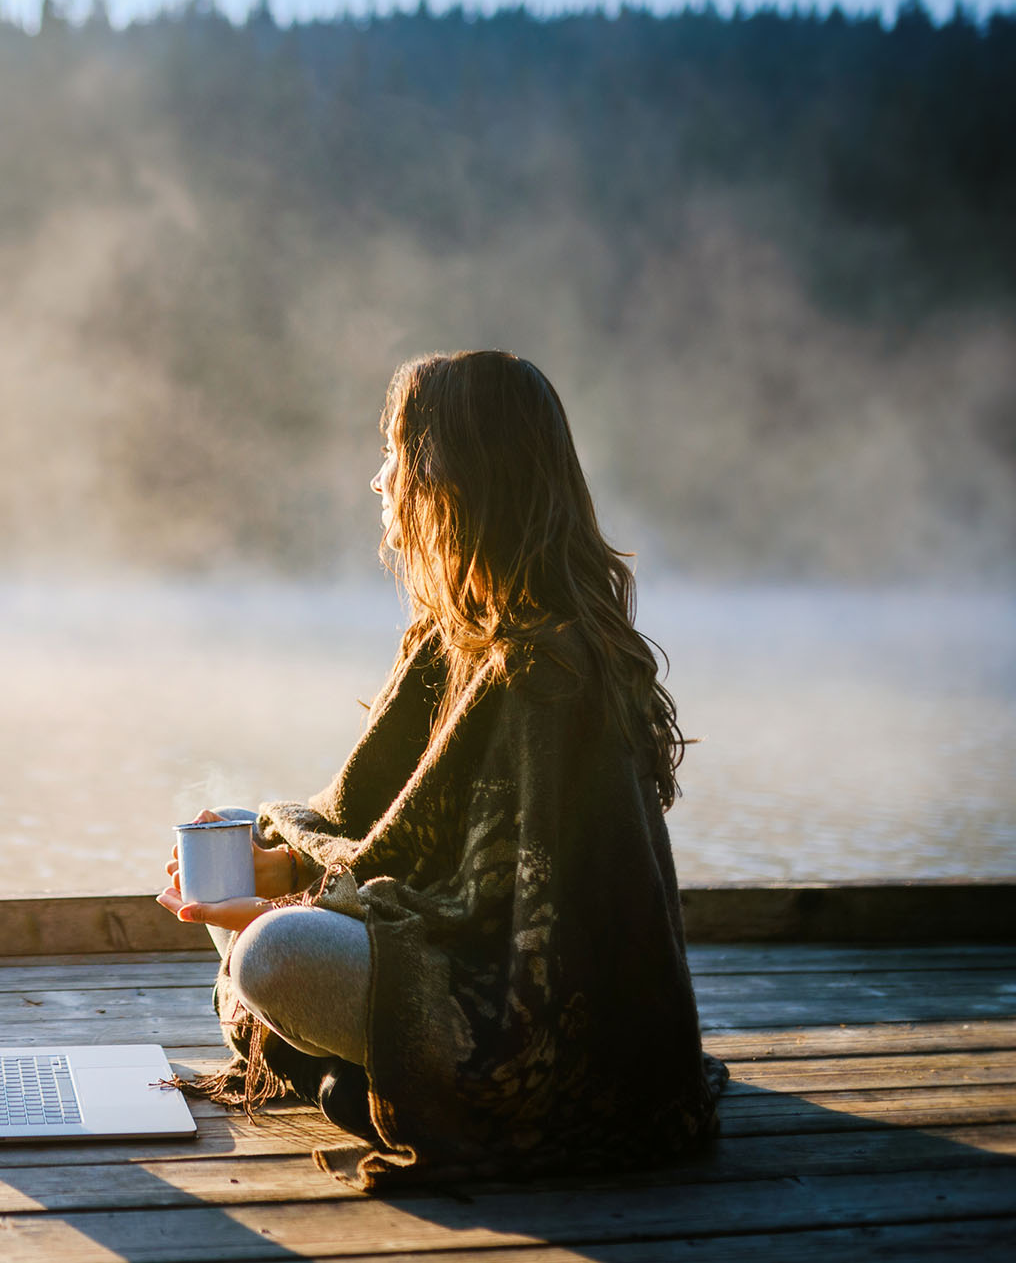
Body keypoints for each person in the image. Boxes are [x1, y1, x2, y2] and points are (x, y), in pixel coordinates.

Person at [157, 350, 724, 1190]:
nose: (378, 481)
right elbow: (380, 836)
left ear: (451, 477)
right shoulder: (447, 638)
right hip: (434, 932)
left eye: (394, 453)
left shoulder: (547, 671)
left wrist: (284, 908)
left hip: (531, 1020)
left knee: (274, 956)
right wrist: (280, 869)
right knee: (232, 847)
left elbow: (507, 918)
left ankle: (358, 1076)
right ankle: (350, 1071)